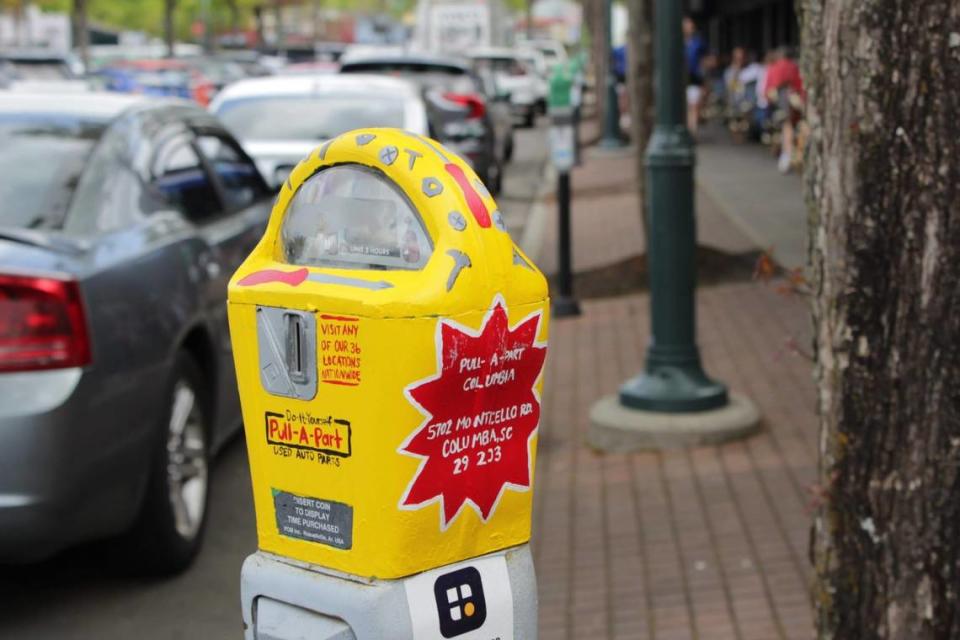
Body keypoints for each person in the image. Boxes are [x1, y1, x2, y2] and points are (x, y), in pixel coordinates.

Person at [762, 47, 804, 173]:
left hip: (779, 103)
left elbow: (768, 89)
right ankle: (788, 155)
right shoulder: (794, 67)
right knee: (790, 127)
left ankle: (787, 155)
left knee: (786, 128)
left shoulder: (774, 68)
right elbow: (799, 85)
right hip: (793, 103)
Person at [683, 16, 707, 134]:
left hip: (695, 79)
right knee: (686, 107)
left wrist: (704, 81)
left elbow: (704, 61)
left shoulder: (698, 43)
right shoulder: (677, 42)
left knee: (694, 106)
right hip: (681, 79)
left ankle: (693, 130)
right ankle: (689, 129)